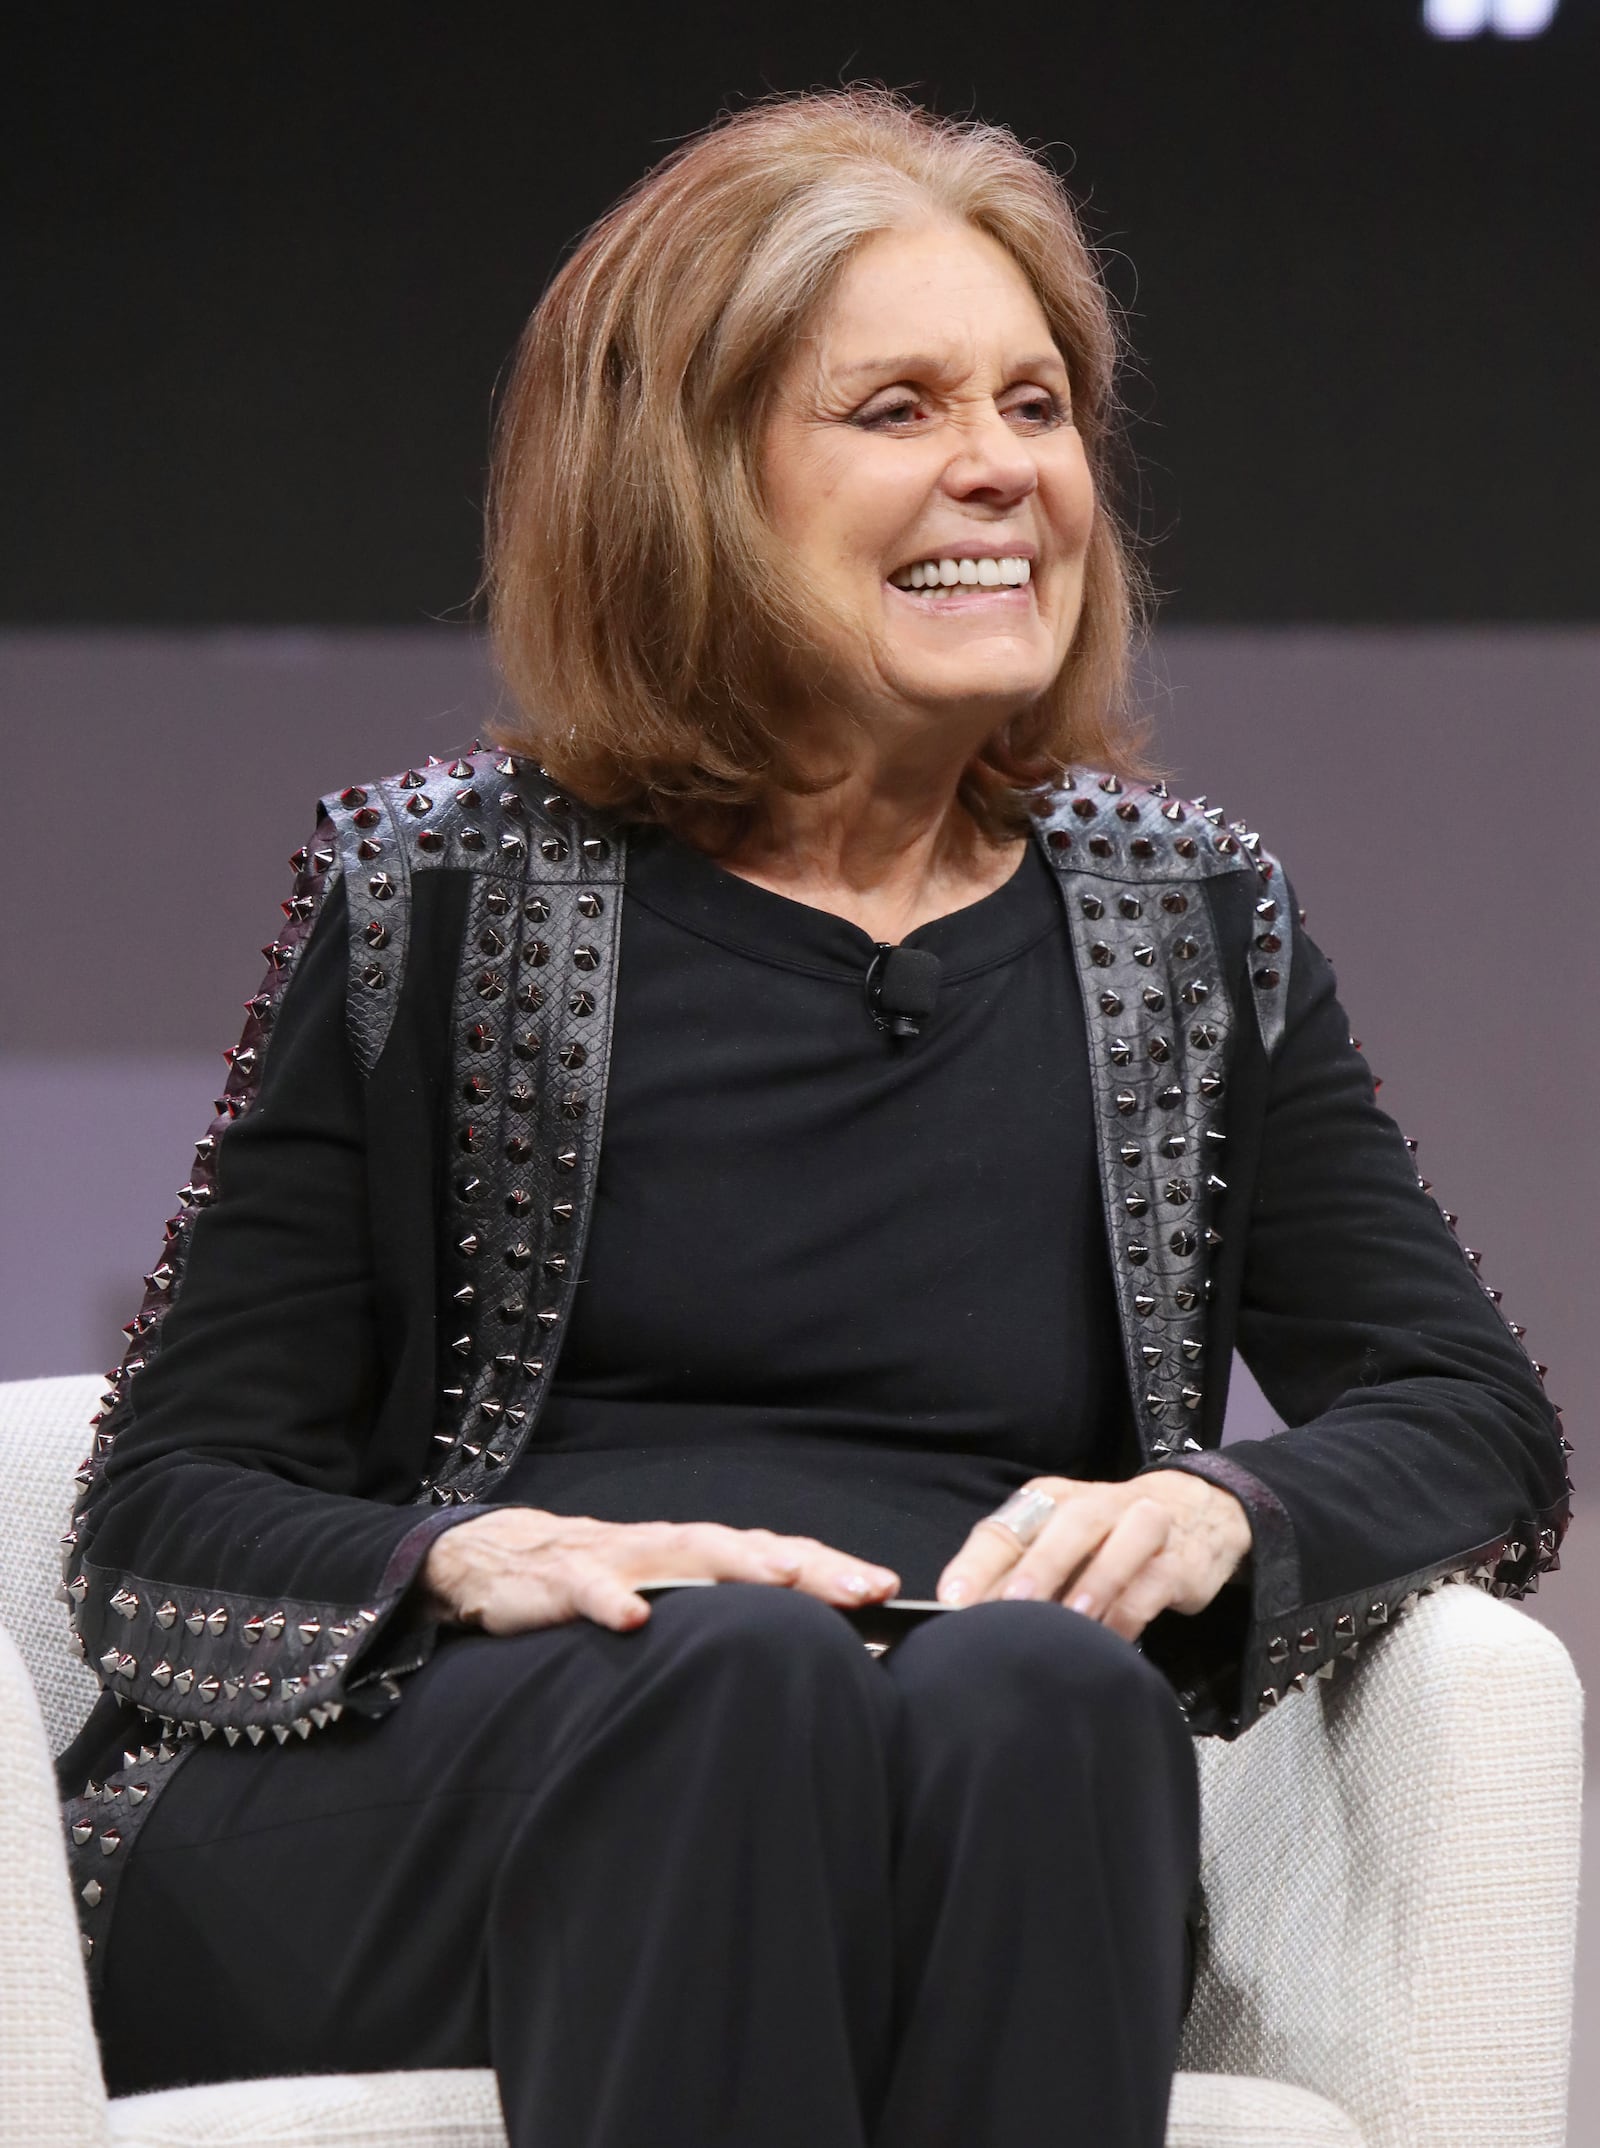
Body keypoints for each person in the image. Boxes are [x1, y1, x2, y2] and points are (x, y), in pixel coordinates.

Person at [55, 87, 1570, 2148]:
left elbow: (1472, 1420)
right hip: (468, 1778)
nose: (997, 472)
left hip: (959, 1776)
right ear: (685, 484)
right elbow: (160, 1518)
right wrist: (476, 1561)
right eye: (896, 410)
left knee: (1048, 1691)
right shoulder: (434, 900)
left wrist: (1219, 1510)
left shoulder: (1180, 920)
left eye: (1034, 404)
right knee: (742, 1677)